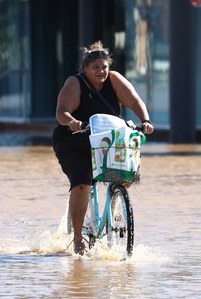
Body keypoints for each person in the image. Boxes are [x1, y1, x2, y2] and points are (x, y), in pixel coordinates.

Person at [53, 40, 154, 255]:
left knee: (129, 172)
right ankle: (79, 239)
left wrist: (145, 120)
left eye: (104, 67)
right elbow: (61, 111)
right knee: (82, 183)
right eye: (95, 68)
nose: (101, 71)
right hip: (75, 141)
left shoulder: (115, 80)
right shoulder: (75, 83)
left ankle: (115, 201)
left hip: (106, 140)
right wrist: (71, 121)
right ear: (85, 69)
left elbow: (135, 101)